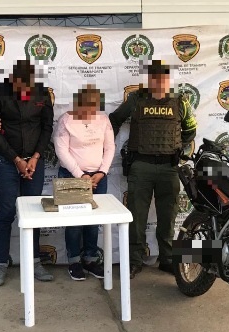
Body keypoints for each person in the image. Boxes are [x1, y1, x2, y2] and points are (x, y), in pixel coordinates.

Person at [109, 60, 197, 279]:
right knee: (137, 217)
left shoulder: (180, 101)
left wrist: (178, 149)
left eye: (163, 77)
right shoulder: (136, 99)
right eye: (155, 77)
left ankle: (167, 259)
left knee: (168, 217)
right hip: (141, 165)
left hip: (169, 167)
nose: (159, 81)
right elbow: (114, 120)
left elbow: (190, 130)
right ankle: (134, 261)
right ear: (149, 79)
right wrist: (106, 146)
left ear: (168, 79)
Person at [0, 59, 54, 286]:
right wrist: (16, 160)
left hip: (34, 162)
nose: (25, 90)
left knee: (33, 213)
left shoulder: (42, 93)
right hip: (7, 161)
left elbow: (47, 128)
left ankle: (34, 262)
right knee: (6, 212)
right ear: (12, 80)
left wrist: (34, 158)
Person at [53, 84, 115, 281]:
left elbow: (110, 147)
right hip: (72, 176)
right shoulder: (66, 120)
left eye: (94, 105)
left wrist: (102, 172)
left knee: (93, 221)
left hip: (98, 177)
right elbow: (61, 150)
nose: (90, 109)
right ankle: (74, 261)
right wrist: (80, 175)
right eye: (86, 105)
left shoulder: (103, 119)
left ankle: (90, 259)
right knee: (74, 222)